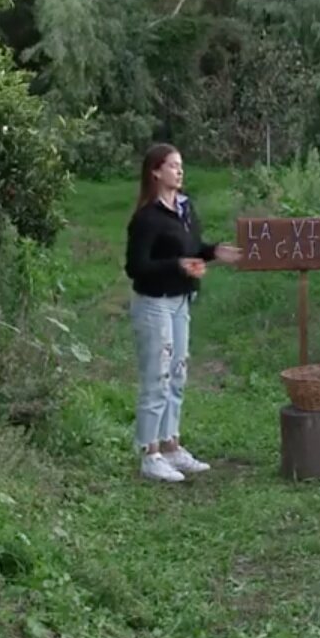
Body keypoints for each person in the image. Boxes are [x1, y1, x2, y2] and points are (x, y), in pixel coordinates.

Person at [124, 143, 242, 483]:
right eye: (173, 166)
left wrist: (213, 252)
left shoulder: (186, 209)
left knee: (177, 373)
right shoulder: (147, 218)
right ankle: (149, 453)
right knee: (156, 377)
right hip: (154, 303)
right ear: (155, 172)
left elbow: (192, 249)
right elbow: (136, 267)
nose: (180, 171)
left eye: (181, 166)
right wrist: (178, 266)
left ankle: (171, 445)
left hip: (180, 303)